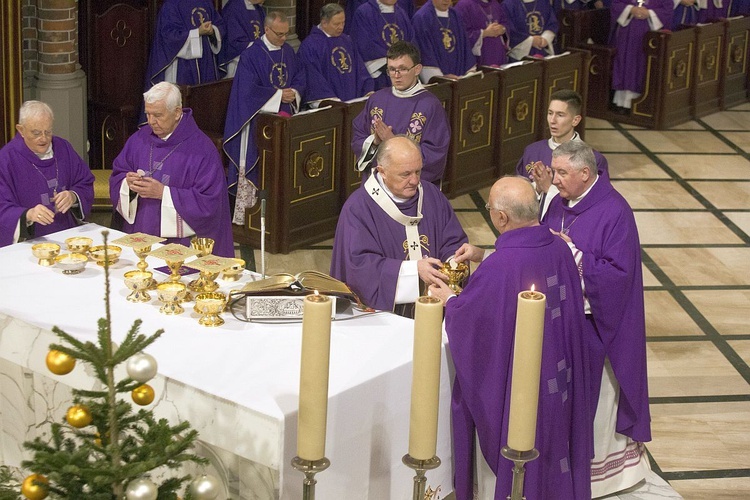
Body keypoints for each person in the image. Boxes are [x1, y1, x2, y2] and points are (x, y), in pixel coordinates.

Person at [429, 176, 591, 500]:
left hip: (521, 392)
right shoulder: (559, 247)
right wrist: (481, 254)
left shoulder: (501, 267)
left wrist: (448, 299)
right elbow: (523, 269)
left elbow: (472, 321)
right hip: (558, 379)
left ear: (501, 218)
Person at [545, 141, 651, 498]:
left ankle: (603, 476)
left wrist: (571, 253)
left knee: (598, 402)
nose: (554, 179)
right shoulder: (559, 204)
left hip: (599, 329)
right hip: (563, 321)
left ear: (585, 174)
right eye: (554, 171)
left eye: (561, 173)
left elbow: (619, 277)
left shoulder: (615, 211)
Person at [330, 136, 467, 317]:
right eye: (406, 174)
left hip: (435, 310)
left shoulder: (432, 196)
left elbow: (453, 240)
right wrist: (414, 271)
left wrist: (452, 263)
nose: (414, 180)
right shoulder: (358, 208)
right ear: (382, 171)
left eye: (418, 171)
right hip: (384, 320)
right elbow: (360, 268)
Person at [110, 82, 234, 257]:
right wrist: (127, 183)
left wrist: (163, 193)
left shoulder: (202, 150)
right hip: (140, 232)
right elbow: (118, 174)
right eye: (148, 114)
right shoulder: (139, 139)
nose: (151, 121)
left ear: (177, 113)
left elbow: (209, 203)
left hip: (180, 245)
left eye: (158, 115)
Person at [223, 11, 306, 225]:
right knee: (255, 165)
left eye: (285, 34)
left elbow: (299, 75)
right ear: (266, 29)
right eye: (278, 34)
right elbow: (247, 91)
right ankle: (250, 216)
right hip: (256, 122)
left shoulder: (287, 51)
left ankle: (278, 216)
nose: (283, 39)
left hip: (284, 120)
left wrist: (294, 91)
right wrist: (279, 94)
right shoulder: (252, 55)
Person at [351, 41, 450, 185]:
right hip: (377, 185)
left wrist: (393, 143)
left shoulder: (430, 105)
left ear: (417, 69)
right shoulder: (376, 100)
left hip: (410, 187)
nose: (396, 75)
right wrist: (374, 142)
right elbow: (358, 135)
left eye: (402, 69)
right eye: (391, 69)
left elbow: (436, 154)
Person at [0, 101, 94, 247]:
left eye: (48, 131)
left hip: (67, 237)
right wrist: (28, 214)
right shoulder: (6, 159)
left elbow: (85, 181)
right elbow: (2, 206)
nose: (43, 138)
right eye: (36, 133)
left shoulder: (63, 148)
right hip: (29, 244)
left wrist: (73, 196)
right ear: (21, 130)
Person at [515, 89, 608, 219]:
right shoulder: (532, 151)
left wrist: (549, 188)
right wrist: (537, 188)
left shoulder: (593, 160)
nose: (552, 120)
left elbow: (593, 205)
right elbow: (517, 195)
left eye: (560, 115)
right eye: (550, 113)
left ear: (575, 120)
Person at [298, 3, 374, 107]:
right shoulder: (310, 45)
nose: (341, 27)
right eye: (336, 24)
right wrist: (331, 100)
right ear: (324, 23)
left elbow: (360, 69)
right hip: (330, 106)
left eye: (343, 23)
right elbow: (313, 77)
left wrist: (367, 90)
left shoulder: (347, 40)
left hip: (353, 103)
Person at [610, 0, 673, 112]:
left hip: (650, 33)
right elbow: (616, 3)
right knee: (626, 63)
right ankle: (622, 103)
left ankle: (643, 102)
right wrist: (631, 9)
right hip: (627, 30)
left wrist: (650, 13)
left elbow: (668, 9)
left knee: (643, 64)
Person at [145, 0, 225, 87]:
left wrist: (212, 31)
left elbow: (219, 25)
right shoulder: (171, 5)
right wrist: (197, 33)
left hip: (207, 61)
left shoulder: (205, 2)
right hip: (182, 65)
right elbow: (169, 36)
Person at [349, 0, 416, 90]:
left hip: (403, 72)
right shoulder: (364, 12)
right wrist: (394, 64)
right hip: (379, 76)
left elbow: (410, 40)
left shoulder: (401, 13)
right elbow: (364, 44)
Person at [412, 0, 477, 82]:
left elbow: (465, 46)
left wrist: (468, 72)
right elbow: (425, 53)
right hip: (439, 83)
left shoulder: (455, 15)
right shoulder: (422, 18)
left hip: (460, 79)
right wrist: (440, 78)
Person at [453, 0, 510, 67]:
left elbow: (505, 23)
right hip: (480, 59)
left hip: (499, 55)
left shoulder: (495, 3)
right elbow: (460, 35)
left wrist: (502, 29)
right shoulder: (463, 5)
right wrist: (484, 33)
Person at [218, 0, 265, 78]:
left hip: (257, 60)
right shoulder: (233, 8)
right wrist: (259, 48)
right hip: (238, 61)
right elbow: (234, 41)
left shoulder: (258, 9)